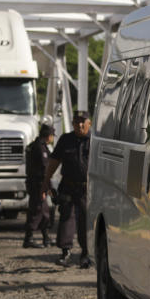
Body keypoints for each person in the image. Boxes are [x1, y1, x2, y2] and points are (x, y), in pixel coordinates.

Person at [43, 113, 92, 268]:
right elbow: (54, 161)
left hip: (87, 188)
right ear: (72, 123)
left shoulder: (95, 141)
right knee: (66, 217)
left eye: (83, 122)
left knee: (86, 220)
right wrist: (46, 180)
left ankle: (85, 254)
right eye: (76, 122)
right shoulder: (66, 139)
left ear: (89, 123)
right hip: (68, 185)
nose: (79, 125)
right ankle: (65, 252)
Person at [22, 123, 55, 248]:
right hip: (38, 185)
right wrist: (49, 187)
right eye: (52, 136)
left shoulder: (33, 146)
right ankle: (28, 238)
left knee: (43, 211)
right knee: (37, 211)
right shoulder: (40, 148)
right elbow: (44, 170)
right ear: (48, 136)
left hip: (34, 183)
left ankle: (45, 238)